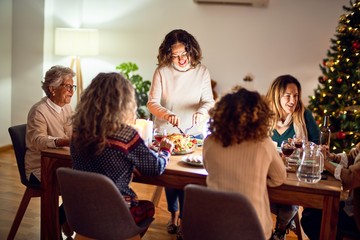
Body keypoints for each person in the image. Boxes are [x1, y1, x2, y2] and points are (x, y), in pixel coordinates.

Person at [70, 72, 174, 236]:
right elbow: (155, 168)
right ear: (123, 102)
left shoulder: (77, 131)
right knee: (148, 207)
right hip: (115, 215)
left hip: (82, 213)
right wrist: (165, 151)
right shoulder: (126, 134)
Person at [147, 29, 215, 239]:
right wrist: (167, 114)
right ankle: (173, 215)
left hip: (193, 133)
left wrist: (202, 112)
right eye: (175, 55)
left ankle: (185, 219)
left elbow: (208, 101)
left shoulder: (202, 71)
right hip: (167, 133)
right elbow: (152, 103)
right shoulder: (162, 71)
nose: (180, 59)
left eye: (183, 53)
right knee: (171, 178)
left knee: (188, 179)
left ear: (191, 50)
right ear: (168, 55)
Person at [203, 86, 287, 239]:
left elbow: (209, 168)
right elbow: (279, 177)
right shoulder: (264, 143)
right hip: (254, 228)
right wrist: (257, 179)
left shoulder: (209, 141)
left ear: (223, 112)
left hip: (216, 226)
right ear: (260, 116)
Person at [266, 74, 320, 240]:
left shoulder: (304, 116)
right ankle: (267, 227)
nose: (292, 100)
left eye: (295, 96)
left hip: (295, 173)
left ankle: (280, 229)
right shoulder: (265, 117)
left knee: (290, 194)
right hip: (269, 171)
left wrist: (303, 147)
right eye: (287, 96)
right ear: (277, 96)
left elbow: (317, 146)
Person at [25, 65, 76, 237]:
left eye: (72, 87)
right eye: (67, 86)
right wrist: (65, 141)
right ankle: (57, 221)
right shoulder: (39, 111)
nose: (71, 91)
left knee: (93, 179)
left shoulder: (67, 108)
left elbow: (74, 131)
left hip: (61, 162)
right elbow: (38, 141)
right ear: (52, 89)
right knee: (84, 184)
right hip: (40, 168)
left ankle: (63, 218)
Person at [301, 142, 360, 239]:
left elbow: (350, 177)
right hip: (352, 207)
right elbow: (352, 159)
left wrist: (323, 162)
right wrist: (332, 157)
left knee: (311, 218)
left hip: (356, 217)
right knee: (312, 210)